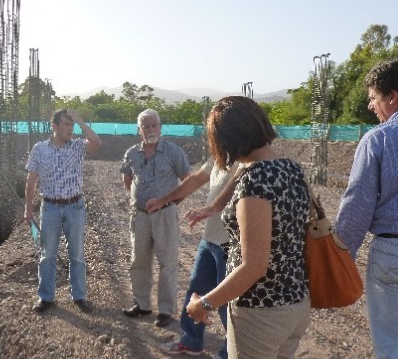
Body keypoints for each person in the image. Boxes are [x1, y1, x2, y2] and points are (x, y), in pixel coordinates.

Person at [186, 96, 311, 359]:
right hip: (296, 303)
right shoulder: (292, 169)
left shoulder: (255, 182)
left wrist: (205, 305)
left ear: (228, 140)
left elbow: (254, 265)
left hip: (260, 311)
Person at [334, 58, 398, 358]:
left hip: (392, 252)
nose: (371, 106)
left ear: (392, 96)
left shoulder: (379, 140)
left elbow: (357, 207)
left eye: (374, 98)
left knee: (391, 343)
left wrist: (339, 260)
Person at [147, 158, 240, 358]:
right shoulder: (220, 156)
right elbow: (196, 179)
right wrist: (164, 200)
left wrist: (213, 207)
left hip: (232, 242)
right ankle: (191, 340)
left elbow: (238, 184)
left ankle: (230, 353)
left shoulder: (246, 158)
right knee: (195, 290)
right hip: (209, 239)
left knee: (227, 302)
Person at [24, 109, 102, 314]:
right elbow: (31, 179)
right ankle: (46, 297)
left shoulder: (77, 146)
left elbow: (96, 143)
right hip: (49, 207)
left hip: (74, 207)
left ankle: (79, 296)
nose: (70, 128)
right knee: (47, 254)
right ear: (55, 126)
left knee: (76, 253)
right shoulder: (39, 149)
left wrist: (80, 119)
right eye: (66, 124)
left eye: (72, 125)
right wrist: (28, 208)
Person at [120, 109, 190, 327]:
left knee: (167, 262)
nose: (150, 130)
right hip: (139, 216)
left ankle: (166, 310)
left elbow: (187, 180)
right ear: (139, 130)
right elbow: (127, 180)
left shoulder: (173, 152)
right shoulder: (132, 153)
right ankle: (142, 305)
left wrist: (172, 203)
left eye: (153, 125)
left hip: (164, 216)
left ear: (160, 127)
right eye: (145, 126)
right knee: (139, 261)